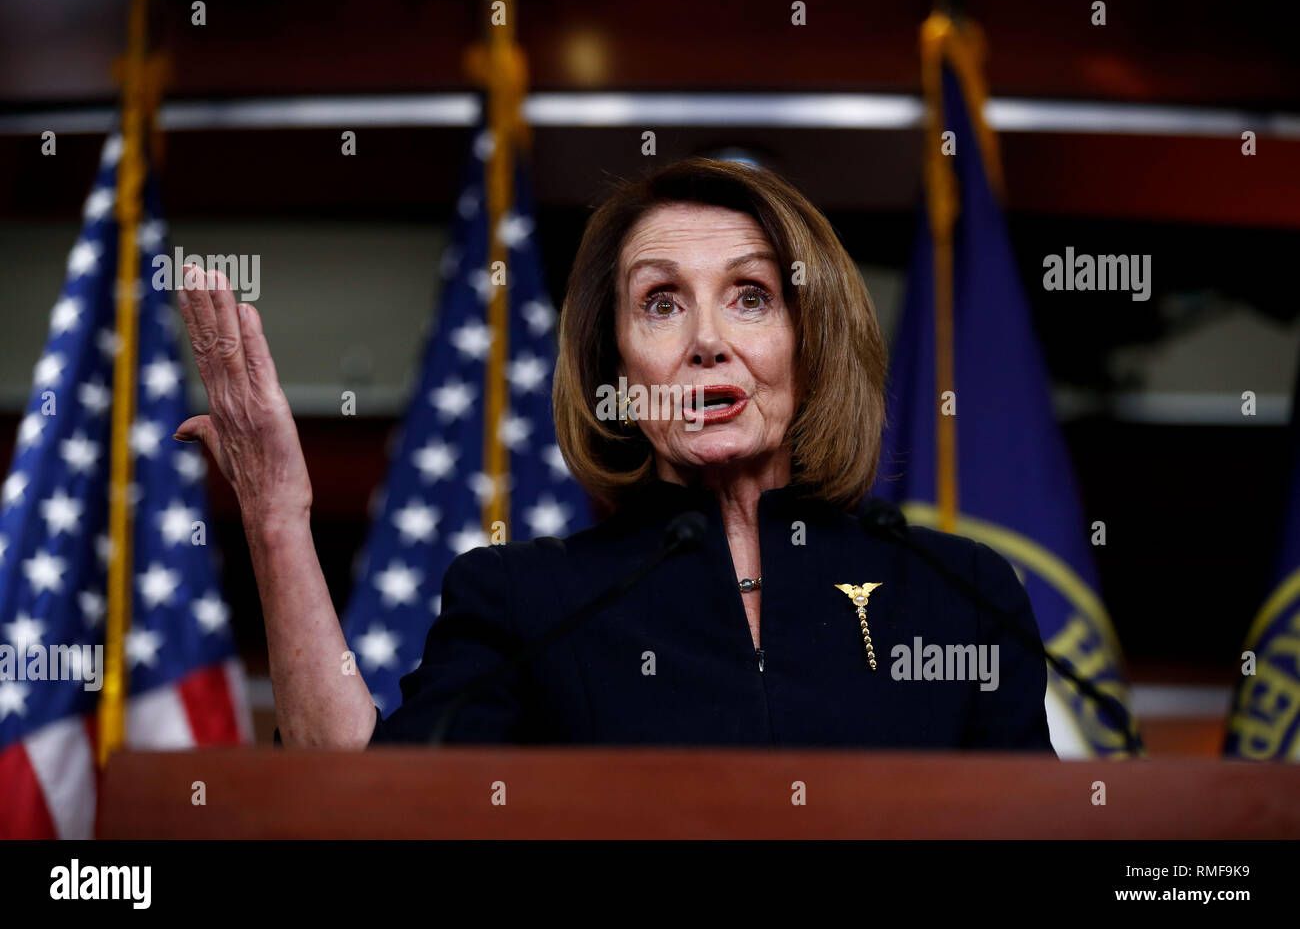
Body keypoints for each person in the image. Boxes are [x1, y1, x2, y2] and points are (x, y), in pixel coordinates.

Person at [173, 157, 1054, 751]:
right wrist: (277, 518)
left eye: (750, 297)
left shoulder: (960, 593)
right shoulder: (525, 600)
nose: (707, 342)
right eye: (662, 303)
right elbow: (362, 809)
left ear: (810, 340)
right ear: (617, 370)